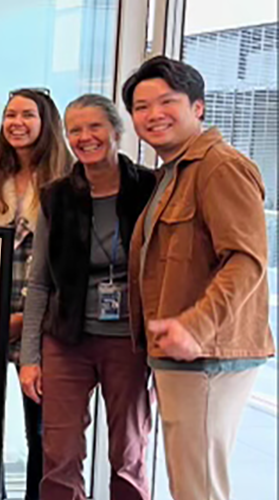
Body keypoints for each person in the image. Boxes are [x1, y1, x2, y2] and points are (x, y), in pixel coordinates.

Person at [122, 56, 274, 500]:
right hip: (180, 354)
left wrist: (195, 325)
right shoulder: (173, 174)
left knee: (198, 488)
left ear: (199, 107)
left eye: (167, 102)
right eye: (142, 106)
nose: (153, 115)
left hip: (207, 353)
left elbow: (247, 260)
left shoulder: (218, 166)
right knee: (190, 481)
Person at [20, 94, 156, 500]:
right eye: (74, 130)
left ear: (116, 131)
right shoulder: (56, 197)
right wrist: (30, 358)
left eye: (94, 127)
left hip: (129, 341)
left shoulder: (151, 188)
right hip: (66, 340)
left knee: (129, 454)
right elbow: (40, 282)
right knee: (59, 455)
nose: (84, 137)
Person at [0, 87, 69, 500]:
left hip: (42, 317)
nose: (16, 123)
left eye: (27, 115)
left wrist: (24, 322)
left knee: (40, 429)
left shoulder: (68, 179)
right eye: (10, 115)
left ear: (46, 122)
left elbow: (69, 268)